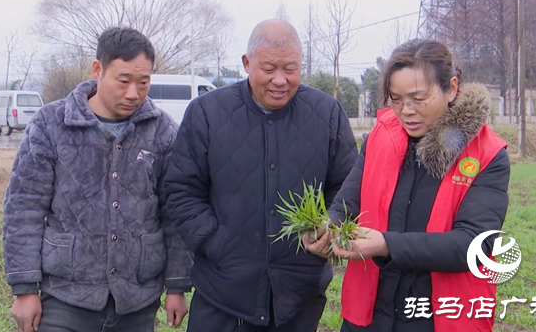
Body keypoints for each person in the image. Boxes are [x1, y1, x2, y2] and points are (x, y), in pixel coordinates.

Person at [164, 19, 358, 332]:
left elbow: (349, 186)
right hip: (222, 290)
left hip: (298, 291)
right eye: (268, 68)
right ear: (246, 63)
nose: (280, 80)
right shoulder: (207, 113)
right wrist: (216, 242)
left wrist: (330, 225)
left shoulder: (327, 113)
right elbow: (182, 190)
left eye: (290, 69)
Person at [306, 39, 510, 332]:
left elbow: (474, 245)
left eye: (418, 98)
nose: (407, 111)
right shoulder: (382, 135)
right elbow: (350, 198)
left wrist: (386, 245)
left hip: (438, 317)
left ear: (451, 88)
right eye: (396, 99)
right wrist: (329, 226)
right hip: (370, 314)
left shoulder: (486, 154)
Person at [3, 27, 192, 332]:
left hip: (137, 300)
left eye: (143, 83)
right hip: (66, 296)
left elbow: (174, 213)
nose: (134, 93)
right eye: (124, 81)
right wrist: (24, 287)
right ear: (97, 69)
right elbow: (24, 208)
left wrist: (176, 285)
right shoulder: (52, 124)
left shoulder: (161, 130)